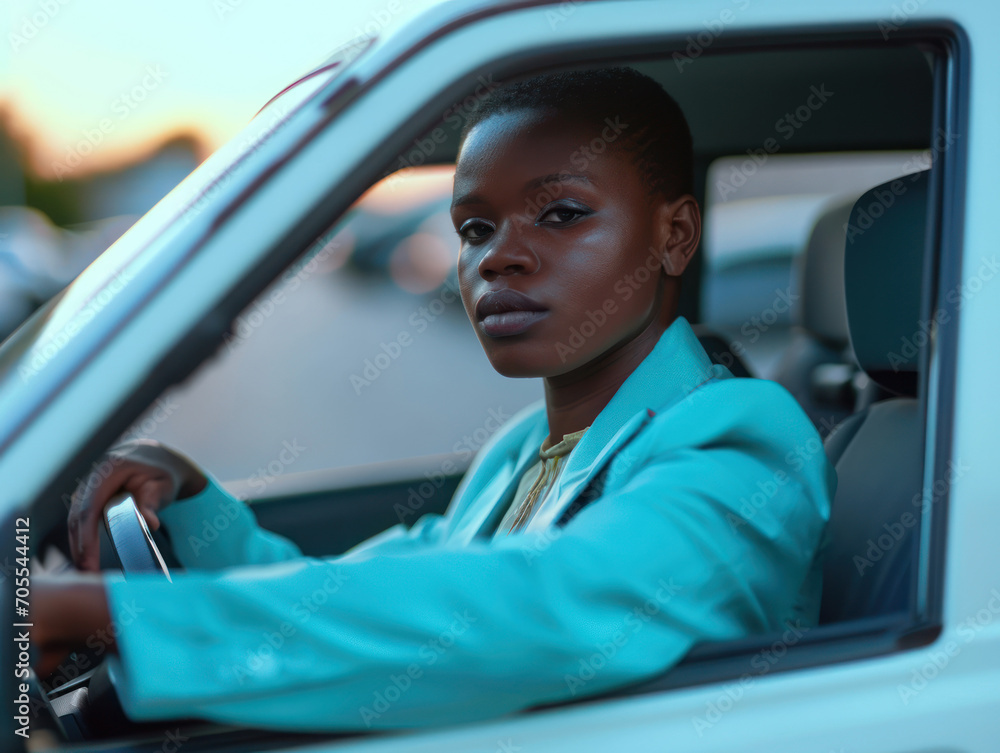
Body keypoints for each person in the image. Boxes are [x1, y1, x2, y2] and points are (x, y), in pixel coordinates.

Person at [32, 68, 835, 731]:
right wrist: (196, 505)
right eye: (475, 227)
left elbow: (540, 608)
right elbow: (366, 599)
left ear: (675, 236)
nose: (500, 258)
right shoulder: (526, 450)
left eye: (560, 214)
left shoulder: (743, 443)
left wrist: (112, 613)